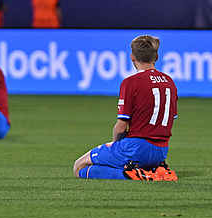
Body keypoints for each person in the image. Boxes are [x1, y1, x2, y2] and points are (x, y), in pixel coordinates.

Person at [73, 35, 179, 181]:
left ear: (132, 57)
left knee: (79, 167)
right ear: (157, 57)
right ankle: (156, 169)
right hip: (161, 151)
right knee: (117, 160)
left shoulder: (131, 83)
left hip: (135, 148)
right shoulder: (169, 82)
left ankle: (131, 174)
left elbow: (121, 128)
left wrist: (117, 147)